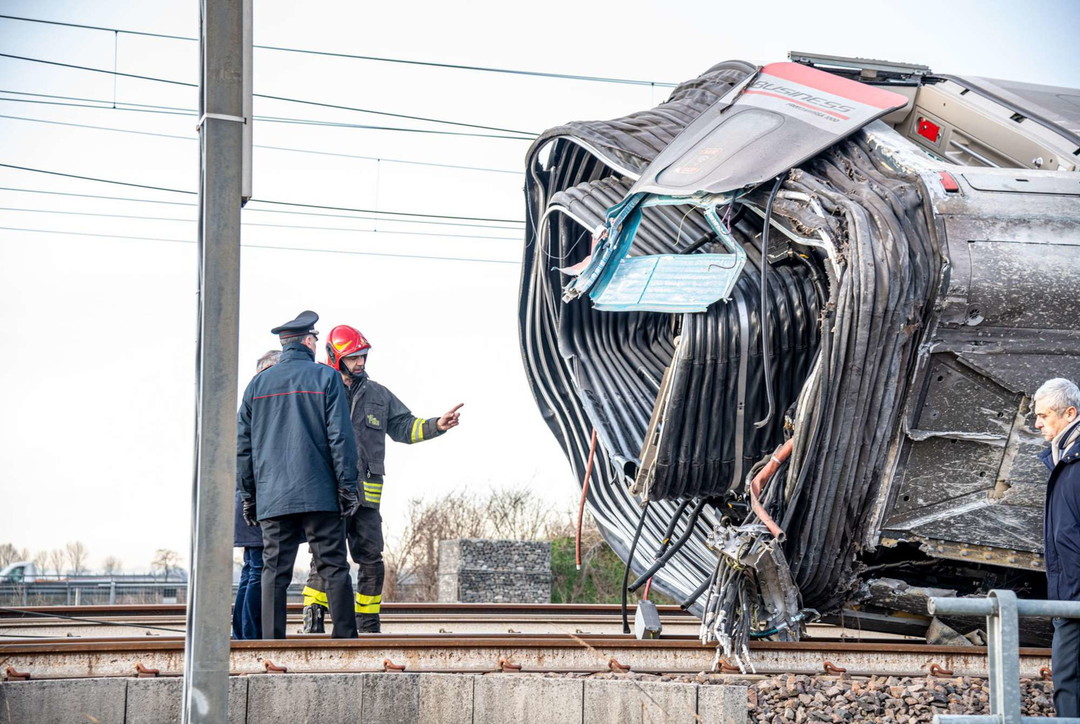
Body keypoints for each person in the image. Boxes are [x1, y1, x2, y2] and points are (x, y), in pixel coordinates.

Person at [302, 324, 463, 634]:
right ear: (335, 357)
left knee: (372, 561)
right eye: (353, 357)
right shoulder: (318, 388)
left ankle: (368, 623)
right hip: (328, 493)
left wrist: (437, 425)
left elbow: (405, 427)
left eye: (363, 356)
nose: (360, 362)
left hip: (366, 497)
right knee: (325, 557)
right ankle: (314, 618)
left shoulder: (378, 395)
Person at [236, 311, 362, 639]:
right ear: (308, 341)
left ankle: (271, 647)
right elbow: (340, 437)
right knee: (333, 566)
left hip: (273, 496)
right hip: (321, 494)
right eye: (315, 339)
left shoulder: (257, 384)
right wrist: (347, 487)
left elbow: (243, 447)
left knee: (274, 572)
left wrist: (249, 495)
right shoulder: (326, 378)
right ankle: (346, 641)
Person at [1034, 377, 1080, 718]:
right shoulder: (1064, 461)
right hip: (1068, 594)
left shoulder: (1074, 462)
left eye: (1044, 415)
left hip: (1074, 596)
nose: (1037, 424)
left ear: (1070, 413)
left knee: (1067, 678)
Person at [231, 349, 280, 640]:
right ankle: (250, 636)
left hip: (247, 499)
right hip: (257, 500)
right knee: (258, 569)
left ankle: (242, 633)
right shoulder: (262, 408)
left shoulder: (251, 405)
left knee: (251, 568)